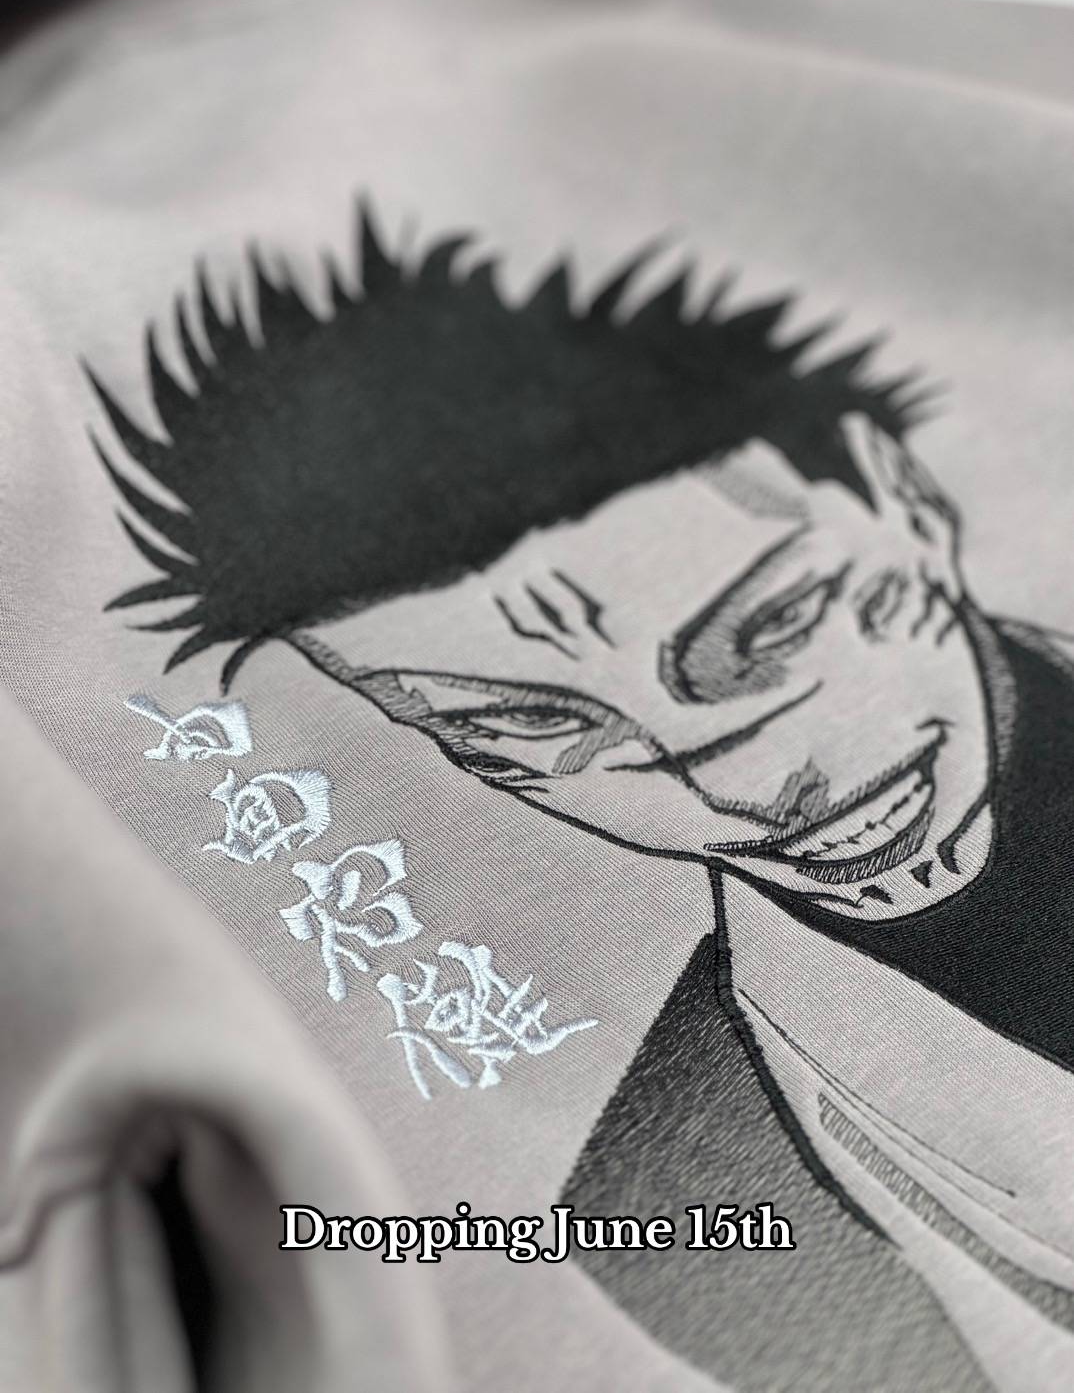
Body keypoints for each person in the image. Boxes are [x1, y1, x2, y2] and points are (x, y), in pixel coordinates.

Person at [92, 212, 1074, 1390]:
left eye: (771, 629)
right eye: (534, 731)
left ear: (900, 494)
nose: (744, 789)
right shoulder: (658, 1220)